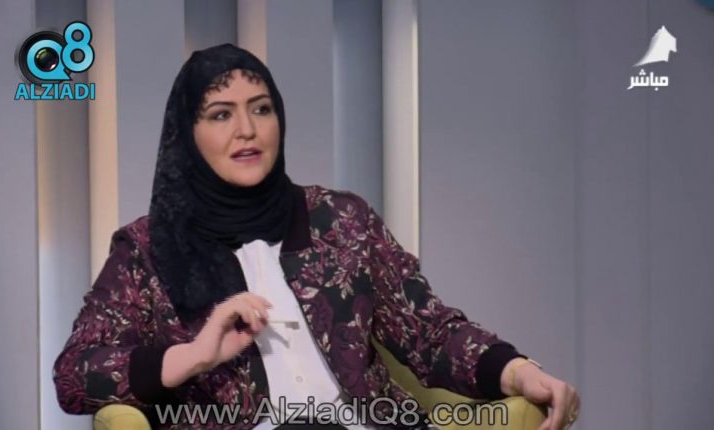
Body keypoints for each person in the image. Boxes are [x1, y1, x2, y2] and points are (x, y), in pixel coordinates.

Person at [53, 43, 580, 430]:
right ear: (187, 136)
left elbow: (428, 330)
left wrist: (518, 371)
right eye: (220, 114)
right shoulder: (146, 250)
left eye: (261, 108)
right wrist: (194, 355)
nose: (247, 130)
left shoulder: (342, 219)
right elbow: (75, 375)